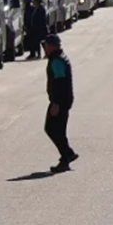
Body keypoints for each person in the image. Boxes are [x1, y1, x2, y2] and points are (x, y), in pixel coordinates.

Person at [42, 33, 77, 172]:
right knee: (54, 129)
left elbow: (60, 83)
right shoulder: (57, 57)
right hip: (62, 99)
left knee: (55, 130)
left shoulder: (57, 61)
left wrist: (56, 103)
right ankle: (68, 154)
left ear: (50, 46)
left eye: (45, 45)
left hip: (60, 101)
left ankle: (65, 159)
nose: (44, 47)